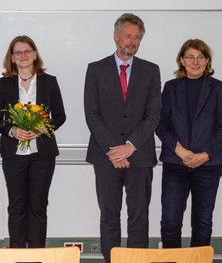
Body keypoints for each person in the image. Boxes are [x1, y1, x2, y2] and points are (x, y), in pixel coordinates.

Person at [84, 13, 161, 263]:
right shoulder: (95, 69)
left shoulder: (151, 71)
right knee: (109, 216)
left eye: (137, 37)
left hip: (140, 155)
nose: (132, 41)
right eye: (128, 35)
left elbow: (153, 115)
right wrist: (114, 150)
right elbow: (92, 113)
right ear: (116, 36)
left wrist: (129, 147)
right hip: (105, 157)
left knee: (139, 216)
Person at [0, 35, 66, 248]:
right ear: (12, 58)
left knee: (38, 207)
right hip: (14, 156)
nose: (23, 55)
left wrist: (45, 127)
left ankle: (36, 254)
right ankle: (17, 254)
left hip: (43, 154)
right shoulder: (4, 84)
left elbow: (60, 115)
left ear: (34, 54)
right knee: (16, 207)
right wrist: (12, 131)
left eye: (27, 51)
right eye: (18, 52)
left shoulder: (49, 82)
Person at [156, 39, 222, 248]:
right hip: (175, 164)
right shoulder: (171, 88)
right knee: (170, 222)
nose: (195, 62)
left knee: (203, 223)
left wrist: (205, 154)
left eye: (200, 57)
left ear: (207, 61)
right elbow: (161, 124)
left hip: (208, 165)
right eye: (190, 57)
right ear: (182, 60)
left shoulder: (218, 88)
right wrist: (181, 152)